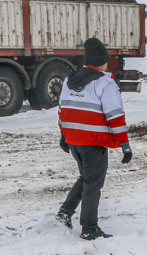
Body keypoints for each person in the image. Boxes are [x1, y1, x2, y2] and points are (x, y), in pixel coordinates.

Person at [56, 37, 133, 240]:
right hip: (94, 143)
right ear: (102, 61)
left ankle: (65, 212)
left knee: (87, 178)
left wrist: (64, 135)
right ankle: (89, 228)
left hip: (74, 141)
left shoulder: (69, 80)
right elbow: (115, 116)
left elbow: (63, 110)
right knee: (93, 184)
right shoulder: (105, 83)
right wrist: (124, 144)